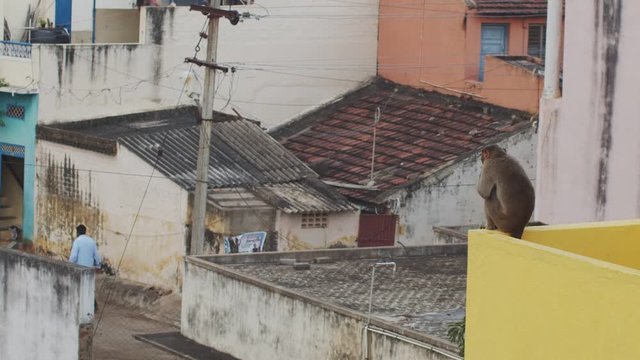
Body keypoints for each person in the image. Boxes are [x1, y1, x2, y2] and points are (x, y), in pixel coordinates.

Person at [69, 224, 101, 313]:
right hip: (89, 269)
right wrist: (98, 266)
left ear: (78, 232)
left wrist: (69, 265)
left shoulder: (77, 241)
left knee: (78, 286)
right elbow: (97, 256)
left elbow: (73, 256)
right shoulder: (91, 241)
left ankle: (78, 306)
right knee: (89, 288)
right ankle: (93, 306)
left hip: (79, 268)